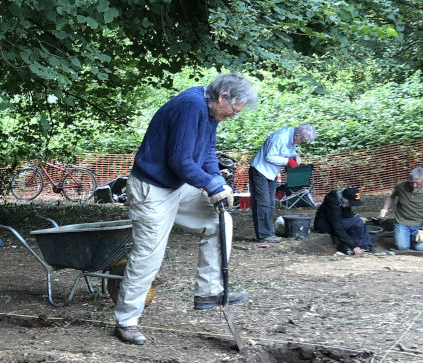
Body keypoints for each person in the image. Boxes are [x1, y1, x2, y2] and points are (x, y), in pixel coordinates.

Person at [113, 73, 257, 346]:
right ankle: (126, 320)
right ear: (222, 97)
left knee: (219, 221)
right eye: (234, 110)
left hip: (177, 187)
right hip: (152, 189)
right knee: (148, 256)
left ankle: (209, 291)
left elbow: (208, 152)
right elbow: (180, 161)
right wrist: (210, 186)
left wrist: (216, 182)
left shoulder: (211, 112)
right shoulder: (190, 106)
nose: (233, 116)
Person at [248, 124, 316, 242]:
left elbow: (288, 151)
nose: (301, 143)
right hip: (260, 170)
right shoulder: (280, 137)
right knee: (263, 203)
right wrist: (288, 161)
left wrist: (295, 155)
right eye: (302, 141)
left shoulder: (293, 137)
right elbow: (269, 156)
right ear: (297, 135)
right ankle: (264, 235)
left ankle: (268, 232)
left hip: (271, 172)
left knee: (270, 204)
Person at [313, 188, 372, 255]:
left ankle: (365, 247)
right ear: (345, 199)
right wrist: (353, 246)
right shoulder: (333, 205)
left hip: (336, 221)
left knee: (360, 220)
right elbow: (337, 227)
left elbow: (347, 214)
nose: (352, 205)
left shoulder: (342, 200)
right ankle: (355, 248)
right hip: (325, 225)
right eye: (351, 203)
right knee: (357, 222)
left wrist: (356, 216)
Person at [379, 166, 423, 251]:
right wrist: (384, 210)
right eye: (412, 182)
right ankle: (407, 239)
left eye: (418, 184)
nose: (414, 186)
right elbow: (391, 197)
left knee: (420, 248)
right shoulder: (400, 186)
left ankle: (411, 241)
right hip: (402, 222)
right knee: (402, 247)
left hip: (419, 223)